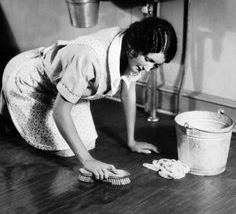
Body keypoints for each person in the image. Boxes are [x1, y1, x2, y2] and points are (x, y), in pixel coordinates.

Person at [0, 17, 177, 180]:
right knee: (67, 152)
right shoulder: (88, 57)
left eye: (156, 64)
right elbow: (60, 113)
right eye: (148, 60)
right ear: (132, 50)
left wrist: (132, 141)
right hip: (31, 83)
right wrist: (88, 161)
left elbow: (127, 90)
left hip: (65, 89)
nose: (148, 68)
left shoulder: (136, 52)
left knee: (88, 143)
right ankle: (6, 113)